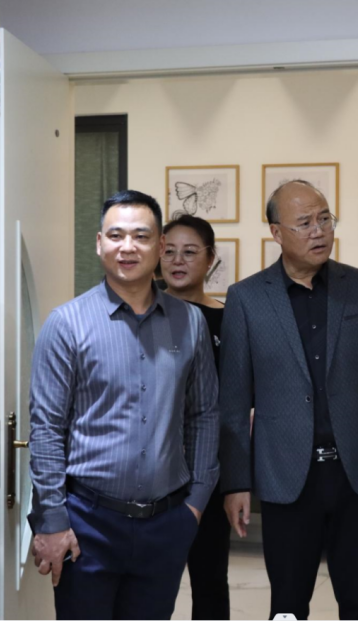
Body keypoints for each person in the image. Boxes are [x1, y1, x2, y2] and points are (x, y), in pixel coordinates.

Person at [219, 180, 358, 620]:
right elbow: (233, 403)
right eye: (304, 222)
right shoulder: (246, 299)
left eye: (325, 219)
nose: (319, 230)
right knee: (288, 605)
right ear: (276, 232)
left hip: (357, 474)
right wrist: (236, 483)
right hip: (286, 476)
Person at [28, 190, 220, 621]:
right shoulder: (67, 323)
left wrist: (195, 504)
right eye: (116, 235)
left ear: (159, 246)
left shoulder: (189, 322)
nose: (127, 247)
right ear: (99, 243)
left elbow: (204, 414)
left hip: (167, 522)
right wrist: (53, 519)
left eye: (141, 236)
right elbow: (46, 428)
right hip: (87, 522)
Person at [161, 213, 229, 620]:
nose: (177, 260)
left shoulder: (228, 318)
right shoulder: (144, 313)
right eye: (168, 251)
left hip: (210, 468)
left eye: (189, 252)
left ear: (210, 258)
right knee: (152, 586)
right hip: (156, 468)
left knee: (210, 580)